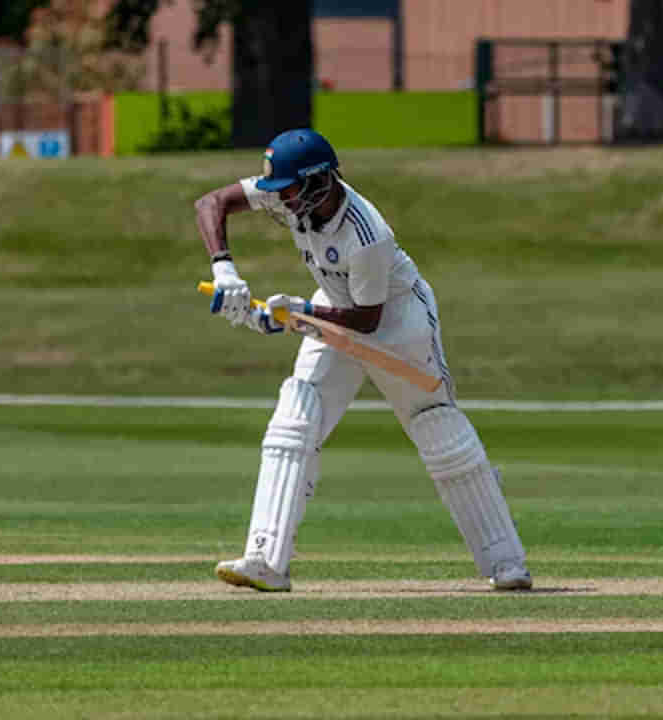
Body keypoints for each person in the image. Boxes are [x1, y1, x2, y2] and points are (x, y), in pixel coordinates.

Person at [194, 128, 531, 592]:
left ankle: (505, 562)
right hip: (334, 306)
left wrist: (298, 314)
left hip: (397, 323)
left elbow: (366, 320)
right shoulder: (291, 193)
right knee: (295, 417)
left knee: (438, 430)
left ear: (318, 182)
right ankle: (266, 560)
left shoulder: (366, 233)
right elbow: (210, 203)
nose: (281, 200)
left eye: (290, 190)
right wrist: (226, 270)